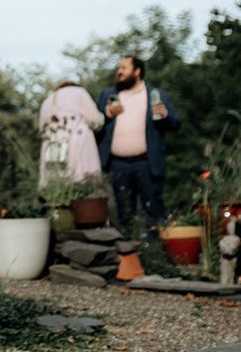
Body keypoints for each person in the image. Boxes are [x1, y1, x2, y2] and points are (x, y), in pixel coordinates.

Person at [97, 53, 180, 232]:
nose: (119, 72)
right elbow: (94, 124)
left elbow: (176, 124)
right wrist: (107, 113)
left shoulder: (157, 95)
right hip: (117, 165)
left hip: (147, 163)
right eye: (118, 68)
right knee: (123, 213)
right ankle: (127, 255)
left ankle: (156, 255)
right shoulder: (108, 95)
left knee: (154, 210)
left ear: (137, 71)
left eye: (123, 68)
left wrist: (165, 115)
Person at [38, 80, 103, 186]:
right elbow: (94, 120)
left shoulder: (47, 100)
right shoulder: (79, 92)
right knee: (83, 181)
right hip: (77, 139)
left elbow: (42, 129)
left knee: (55, 182)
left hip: (51, 146)